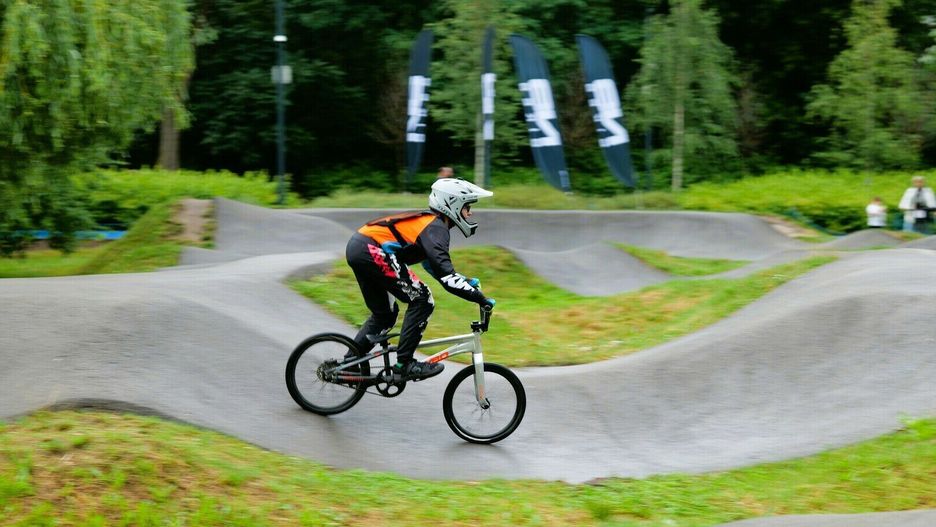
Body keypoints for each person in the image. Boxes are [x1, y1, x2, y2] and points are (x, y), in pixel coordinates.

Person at [344, 178, 495, 380]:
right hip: (371, 250)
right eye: (467, 207)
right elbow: (446, 275)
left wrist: (465, 281)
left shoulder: (431, 225)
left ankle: (349, 363)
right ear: (453, 204)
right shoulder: (436, 227)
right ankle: (404, 364)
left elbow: (433, 266)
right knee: (422, 298)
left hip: (360, 247)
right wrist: (480, 298)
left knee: (385, 315)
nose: (470, 212)